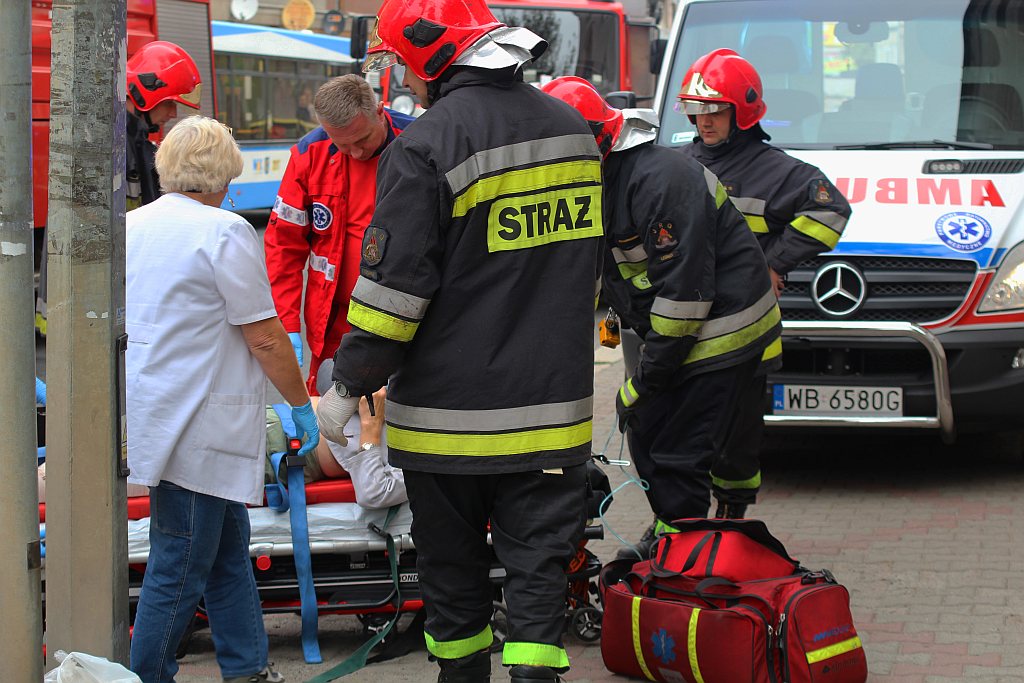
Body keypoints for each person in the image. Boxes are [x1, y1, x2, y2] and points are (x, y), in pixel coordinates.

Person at [314, 2, 605, 681]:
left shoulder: (425, 146)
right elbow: (582, 270)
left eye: (406, 65)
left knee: (453, 582)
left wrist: (348, 385)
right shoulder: (573, 132)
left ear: (431, 55)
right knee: (538, 579)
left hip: (450, 428)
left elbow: (394, 299)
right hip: (552, 418)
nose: (407, 80)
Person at [541, 76, 780, 554]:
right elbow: (605, 276)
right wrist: (604, 351)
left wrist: (648, 378)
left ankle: (686, 556)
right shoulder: (600, 179)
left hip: (720, 333)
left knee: (676, 449)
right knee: (646, 429)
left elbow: (683, 297)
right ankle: (676, 534)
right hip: (677, 333)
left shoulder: (660, 180)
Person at [125, 116, 317, 683]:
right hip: (200, 421)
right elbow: (262, 333)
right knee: (179, 561)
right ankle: (147, 674)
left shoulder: (132, 225)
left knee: (227, 551)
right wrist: (299, 403)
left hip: (156, 409)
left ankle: (246, 667)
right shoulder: (225, 230)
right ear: (224, 174)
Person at [677, 48, 852, 519]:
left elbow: (832, 211)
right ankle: (678, 526)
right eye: (696, 110)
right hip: (683, 326)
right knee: (678, 435)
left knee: (736, 439)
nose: (704, 121)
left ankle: (732, 520)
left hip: (744, 331)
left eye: (715, 110)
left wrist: (773, 264)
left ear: (744, 111)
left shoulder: (780, 172)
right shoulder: (676, 164)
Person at [264, 74, 414, 396]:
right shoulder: (310, 154)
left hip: (406, 323)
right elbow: (282, 247)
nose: (356, 154)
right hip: (334, 324)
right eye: (342, 145)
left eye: (362, 140)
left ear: (380, 111)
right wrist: (287, 326)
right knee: (331, 422)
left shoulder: (418, 141)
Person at [125, 40, 202, 210]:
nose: (173, 114)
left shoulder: (135, 144)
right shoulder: (114, 147)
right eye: (169, 103)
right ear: (147, 92)